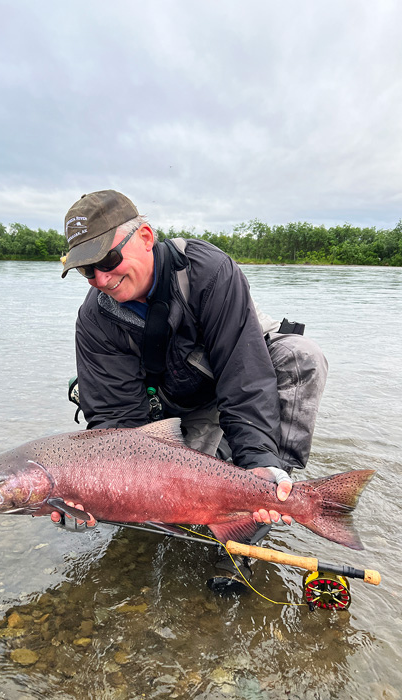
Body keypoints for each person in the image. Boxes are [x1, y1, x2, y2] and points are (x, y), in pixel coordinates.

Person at [54, 189, 328, 591]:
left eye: (108, 261)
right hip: (176, 407)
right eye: (86, 271)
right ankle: (222, 501)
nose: (101, 279)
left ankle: (269, 500)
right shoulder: (95, 319)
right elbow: (115, 425)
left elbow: (245, 378)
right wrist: (83, 494)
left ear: (145, 237)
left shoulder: (208, 272)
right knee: (170, 493)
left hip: (236, 377)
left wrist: (260, 460)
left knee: (301, 356)